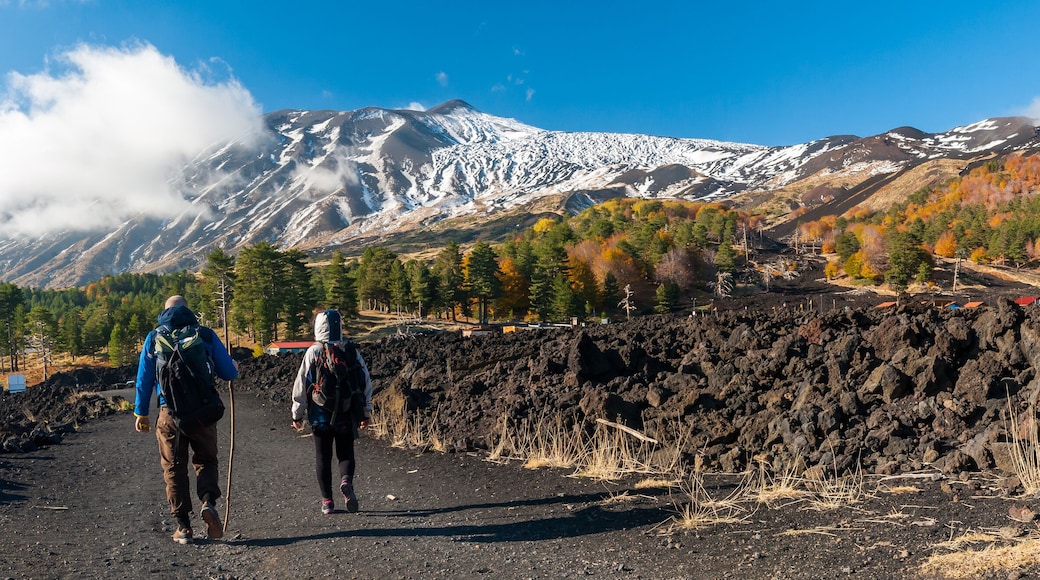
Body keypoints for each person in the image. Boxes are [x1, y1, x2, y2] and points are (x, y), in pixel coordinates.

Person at [134, 295, 239, 544]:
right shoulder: (205, 334)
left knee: (174, 467)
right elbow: (228, 372)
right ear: (187, 310)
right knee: (206, 460)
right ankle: (208, 502)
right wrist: (233, 365)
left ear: (165, 311)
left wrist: (141, 413)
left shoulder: (153, 338)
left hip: (168, 413)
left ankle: (183, 528)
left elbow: (143, 379)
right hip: (203, 411)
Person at [291, 309, 372, 515]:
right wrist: (365, 411)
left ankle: (327, 502)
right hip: (346, 412)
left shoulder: (313, 352)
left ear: (318, 327)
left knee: (323, 456)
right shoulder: (350, 350)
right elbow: (364, 382)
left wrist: (297, 414)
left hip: (320, 414)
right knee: (346, 452)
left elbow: (301, 384)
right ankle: (346, 481)